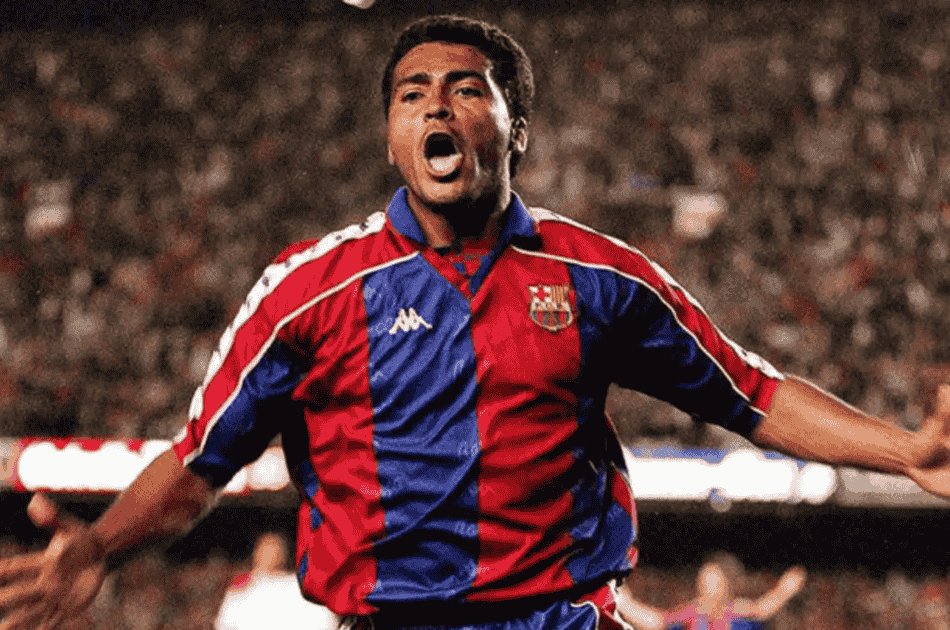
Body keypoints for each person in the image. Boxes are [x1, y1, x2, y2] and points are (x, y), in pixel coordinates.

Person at [2, 13, 950, 630]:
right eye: (412, 93)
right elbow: (201, 459)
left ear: (516, 127)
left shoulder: (598, 277)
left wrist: (904, 452)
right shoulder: (309, 291)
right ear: (392, 138)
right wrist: (100, 546)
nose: (437, 105)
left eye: (466, 88)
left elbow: (750, 395)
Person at [614, 552, 807, 630]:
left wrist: (785, 590)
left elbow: (762, 609)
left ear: (726, 586)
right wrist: (624, 602)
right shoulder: (694, 613)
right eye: (704, 581)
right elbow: (657, 621)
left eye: (713, 582)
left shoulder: (735, 611)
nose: (706, 587)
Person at [214, 532, 340, 630]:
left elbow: (324, 622)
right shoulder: (242, 589)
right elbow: (225, 624)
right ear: (256, 554)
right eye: (265, 551)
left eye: (274, 551)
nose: (269, 556)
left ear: (284, 555)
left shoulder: (298, 586)